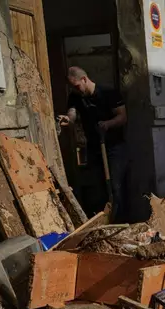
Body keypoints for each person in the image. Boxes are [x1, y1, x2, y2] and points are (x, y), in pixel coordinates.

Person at [58, 66, 128, 221]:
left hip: (115, 147)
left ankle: (120, 223)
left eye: (77, 86)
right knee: (98, 188)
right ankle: (103, 223)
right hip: (94, 147)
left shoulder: (109, 93)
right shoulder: (75, 96)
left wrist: (108, 124)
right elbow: (73, 113)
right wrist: (68, 120)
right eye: (72, 87)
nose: (76, 90)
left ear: (84, 79)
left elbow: (122, 117)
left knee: (115, 186)